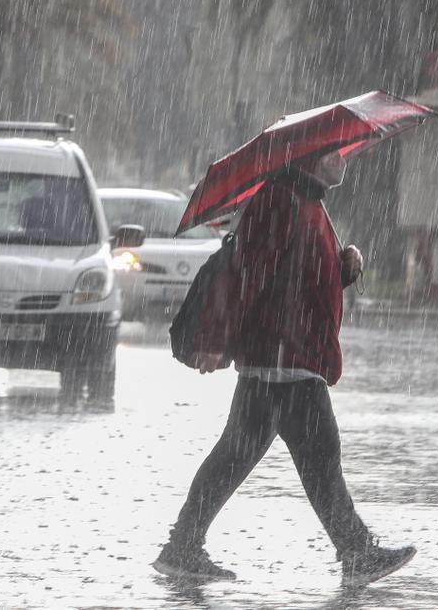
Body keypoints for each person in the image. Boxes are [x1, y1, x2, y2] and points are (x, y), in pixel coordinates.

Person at [152, 151, 416, 587]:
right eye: (332, 154)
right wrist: (216, 342)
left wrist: (342, 267)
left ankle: (184, 545)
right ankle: (355, 552)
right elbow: (249, 276)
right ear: (308, 160)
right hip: (282, 355)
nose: (342, 161)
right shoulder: (279, 200)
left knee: (247, 456)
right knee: (308, 457)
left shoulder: (308, 203)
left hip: (292, 355)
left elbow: (301, 274)